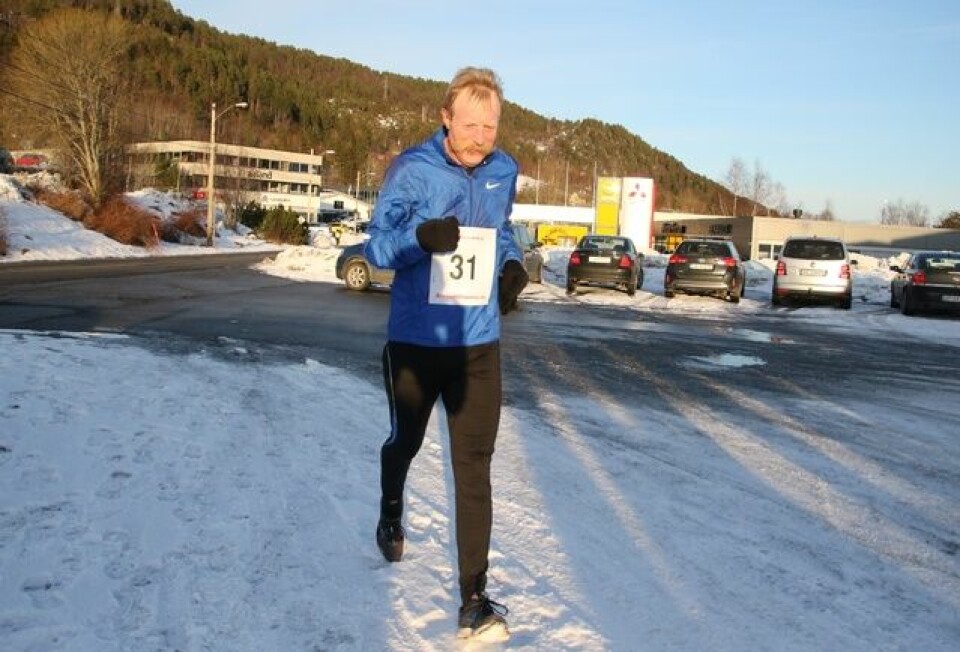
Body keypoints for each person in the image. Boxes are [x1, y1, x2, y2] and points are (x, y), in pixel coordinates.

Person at [363, 66, 527, 640]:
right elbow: (376, 246)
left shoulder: (504, 170)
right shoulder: (411, 170)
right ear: (445, 118)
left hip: (478, 345)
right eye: (471, 124)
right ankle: (390, 508)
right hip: (415, 341)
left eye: (491, 125)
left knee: (473, 469)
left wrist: (511, 265)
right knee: (405, 441)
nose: (482, 137)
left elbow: (502, 229)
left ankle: (474, 599)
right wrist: (418, 240)